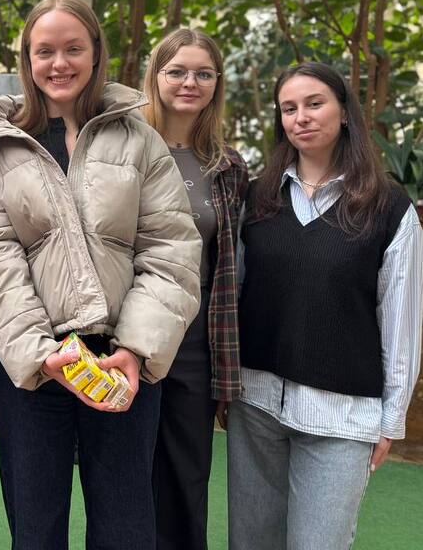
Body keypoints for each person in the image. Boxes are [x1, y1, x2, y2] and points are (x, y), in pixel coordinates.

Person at [0, 0, 201, 550]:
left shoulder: (139, 138)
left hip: (121, 363)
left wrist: (136, 349)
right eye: (44, 51)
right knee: (35, 528)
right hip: (36, 367)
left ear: (95, 52)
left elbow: (171, 249)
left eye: (73, 48)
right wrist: (41, 355)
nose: (59, 63)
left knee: (125, 527)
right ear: (27, 59)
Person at [228, 62, 423, 550]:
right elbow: (235, 295)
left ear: (344, 112)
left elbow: (400, 323)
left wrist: (390, 420)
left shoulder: (389, 208)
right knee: (251, 543)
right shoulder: (259, 198)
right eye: (289, 108)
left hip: (342, 416)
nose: (301, 117)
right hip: (256, 405)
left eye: (314, 103)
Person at [142, 28, 248, 550]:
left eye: (204, 73)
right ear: (155, 76)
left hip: (196, 339)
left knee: (187, 475)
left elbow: (231, 266)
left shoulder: (226, 164)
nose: (190, 82)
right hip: (129, 336)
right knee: (127, 472)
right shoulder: (123, 146)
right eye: (177, 71)